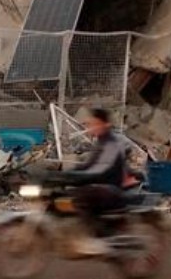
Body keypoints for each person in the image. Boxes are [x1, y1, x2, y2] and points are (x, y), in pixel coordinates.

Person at [52, 108, 129, 255]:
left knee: (81, 198)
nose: (91, 127)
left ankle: (95, 239)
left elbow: (99, 170)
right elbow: (87, 166)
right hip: (100, 185)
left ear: (105, 124)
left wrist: (76, 177)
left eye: (95, 124)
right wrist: (63, 174)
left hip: (110, 188)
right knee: (63, 195)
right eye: (91, 124)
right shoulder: (100, 142)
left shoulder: (111, 143)